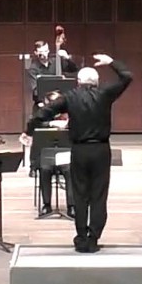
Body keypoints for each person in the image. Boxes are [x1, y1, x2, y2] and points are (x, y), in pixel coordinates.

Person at [21, 53, 133, 253]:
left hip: (79, 151)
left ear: (78, 81)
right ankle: (93, 237)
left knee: (80, 195)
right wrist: (110, 62)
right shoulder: (105, 94)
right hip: (101, 150)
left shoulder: (70, 97)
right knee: (98, 195)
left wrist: (28, 131)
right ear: (96, 82)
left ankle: (81, 237)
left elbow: (42, 113)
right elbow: (127, 76)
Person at [31, 90, 74, 218]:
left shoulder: (70, 113)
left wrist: (67, 124)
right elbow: (34, 124)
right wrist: (51, 123)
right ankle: (47, 204)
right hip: (47, 155)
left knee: (70, 170)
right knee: (45, 169)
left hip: (65, 154)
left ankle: (72, 205)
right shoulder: (43, 115)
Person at [26, 39, 79, 105]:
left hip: (59, 102)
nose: (44, 54)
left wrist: (67, 58)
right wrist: (46, 99)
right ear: (35, 52)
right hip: (42, 103)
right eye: (41, 52)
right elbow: (36, 90)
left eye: (46, 51)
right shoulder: (33, 69)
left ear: (48, 51)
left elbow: (74, 69)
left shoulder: (56, 62)